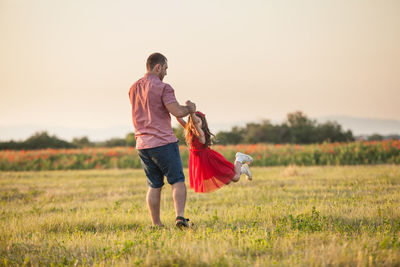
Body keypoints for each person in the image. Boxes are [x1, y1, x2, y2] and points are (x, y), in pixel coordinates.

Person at [129, 52, 195, 228]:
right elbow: (177, 111)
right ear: (158, 67)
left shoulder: (134, 87)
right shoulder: (164, 87)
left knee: (154, 184)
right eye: (165, 68)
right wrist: (190, 108)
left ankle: (156, 224)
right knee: (177, 181)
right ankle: (180, 217)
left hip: (142, 145)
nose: (166, 73)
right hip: (163, 142)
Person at [176, 111, 253, 193]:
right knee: (227, 181)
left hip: (210, 160)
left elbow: (198, 132)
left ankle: (239, 159)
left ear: (203, 124)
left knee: (235, 178)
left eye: (197, 122)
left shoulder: (201, 134)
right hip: (202, 162)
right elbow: (178, 117)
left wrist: (192, 114)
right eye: (192, 122)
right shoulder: (190, 130)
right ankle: (242, 169)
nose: (194, 124)